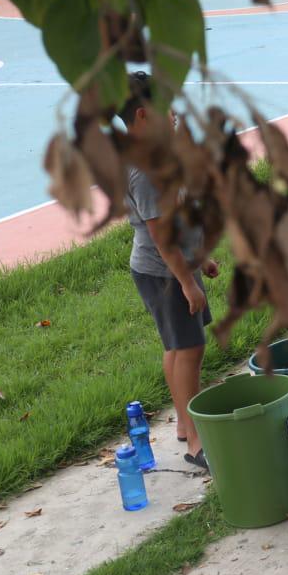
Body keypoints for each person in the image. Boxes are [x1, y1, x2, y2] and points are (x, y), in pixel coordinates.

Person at [121, 72, 219, 472]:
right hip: (164, 273)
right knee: (189, 350)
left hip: (174, 265)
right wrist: (187, 282)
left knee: (177, 346)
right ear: (143, 115)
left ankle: (182, 420)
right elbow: (161, 238)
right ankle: (196, 443)